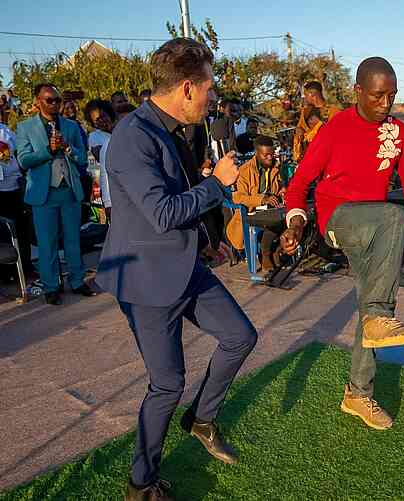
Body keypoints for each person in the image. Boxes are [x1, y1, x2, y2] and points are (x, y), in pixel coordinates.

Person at [95, 38, 257, 501]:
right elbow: (163, 212)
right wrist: (216, 184)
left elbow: (179, 201)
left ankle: (201, 419)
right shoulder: (132, 137)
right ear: (188, 87)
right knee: (166, 385)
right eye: (209, 87)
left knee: (241, 337)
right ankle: (140, 484)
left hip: (186, 267)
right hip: (146, 279)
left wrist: (208, 243)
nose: (212, 97)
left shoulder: (175, 129)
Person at [281, 57, 404, 430]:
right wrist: (295, 222)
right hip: (338, 220)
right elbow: (300, 182)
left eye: (391, 96)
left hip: (376, 228)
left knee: (373, 307)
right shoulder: (335, 129)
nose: (385, 103)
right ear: (357, 91)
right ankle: (376, 318)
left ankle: (358, 393)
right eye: (377, 96)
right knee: (393, 217)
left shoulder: (398, 132)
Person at [15, 83, 96, 305]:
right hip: (44, 193)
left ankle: (78, 281)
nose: (55, 104)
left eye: (57, 100)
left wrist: (68, 149)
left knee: (73, 240)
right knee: (47, 242)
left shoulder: (70, 126)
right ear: (38, 102)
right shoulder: (25, 128)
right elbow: (24, 160)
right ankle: (51, 286)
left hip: (69, 190)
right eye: (49, 100)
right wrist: (48, 151)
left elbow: (82, 158)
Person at [227, 135, 284, 271]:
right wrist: (262, 199)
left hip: (270, 208)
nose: (270, 158)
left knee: (286, 216)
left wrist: (282, 190)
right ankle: (266, 254)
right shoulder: (244, 171)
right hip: (250, 211)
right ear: (257, 154)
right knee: (272, 220)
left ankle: (276, 251)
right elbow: (238, 197)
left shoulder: (275, 167)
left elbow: (279, 186)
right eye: (265, 155)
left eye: (271, 154)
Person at [0, 122, 35, 280]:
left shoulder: (6, 130)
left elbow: (20, 154)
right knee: (4, 234)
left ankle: (26, 267)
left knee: (22, 230)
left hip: (15, 188)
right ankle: (7, 272)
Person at [292, 81, 341, 161]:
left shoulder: (334, 112)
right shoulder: (305, 112)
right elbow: (300, 132)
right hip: (309, 159)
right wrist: (299, 132)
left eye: (306, 95)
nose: (304, 98)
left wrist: (321, 124)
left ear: (312, 95)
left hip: (329, 160)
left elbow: (340, 136)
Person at [84, 99, 116, 219]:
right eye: (97, 120)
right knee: (103, 222)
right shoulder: (94, 138)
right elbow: (94, 170)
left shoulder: (119, 130)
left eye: (103, 116)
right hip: (101, 188)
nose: (102, 121)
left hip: (119, 186)